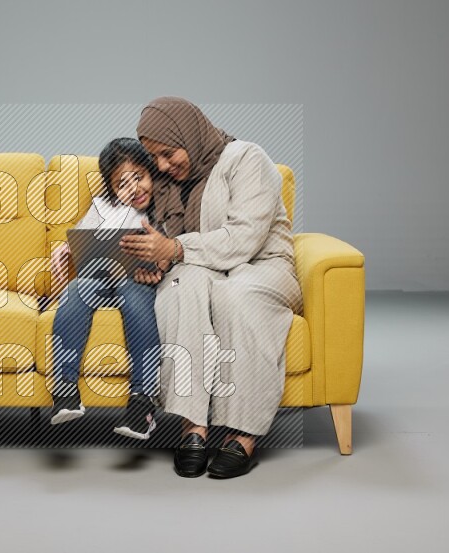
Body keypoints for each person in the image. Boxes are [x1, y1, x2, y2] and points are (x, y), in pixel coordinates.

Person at [120, 97, 303, 478]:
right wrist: (155, 262)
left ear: (189, 134)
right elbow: (168, 247)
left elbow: (244, 239)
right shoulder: (167, 185)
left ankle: (243, 434)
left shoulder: (246, 159)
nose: (162, 166)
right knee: (179, 286)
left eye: (168, 153)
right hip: (204, 266)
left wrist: (174, 249)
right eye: (155, 157)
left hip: (261, 266)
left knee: (237, 295)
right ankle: (193, 427)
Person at [48, 138, 163, 440]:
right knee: (76, 289)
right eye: (122, 184)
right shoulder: (102, 206)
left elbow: (173, 249)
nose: (134, 189)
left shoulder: (163, 206)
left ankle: (142, 402)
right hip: (99, 278)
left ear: (151, 172)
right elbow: (80, 239)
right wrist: (64, 248)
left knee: (134, 295)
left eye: (139, 177)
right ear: (111, 188)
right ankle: (65, 390)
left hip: (137, 282)